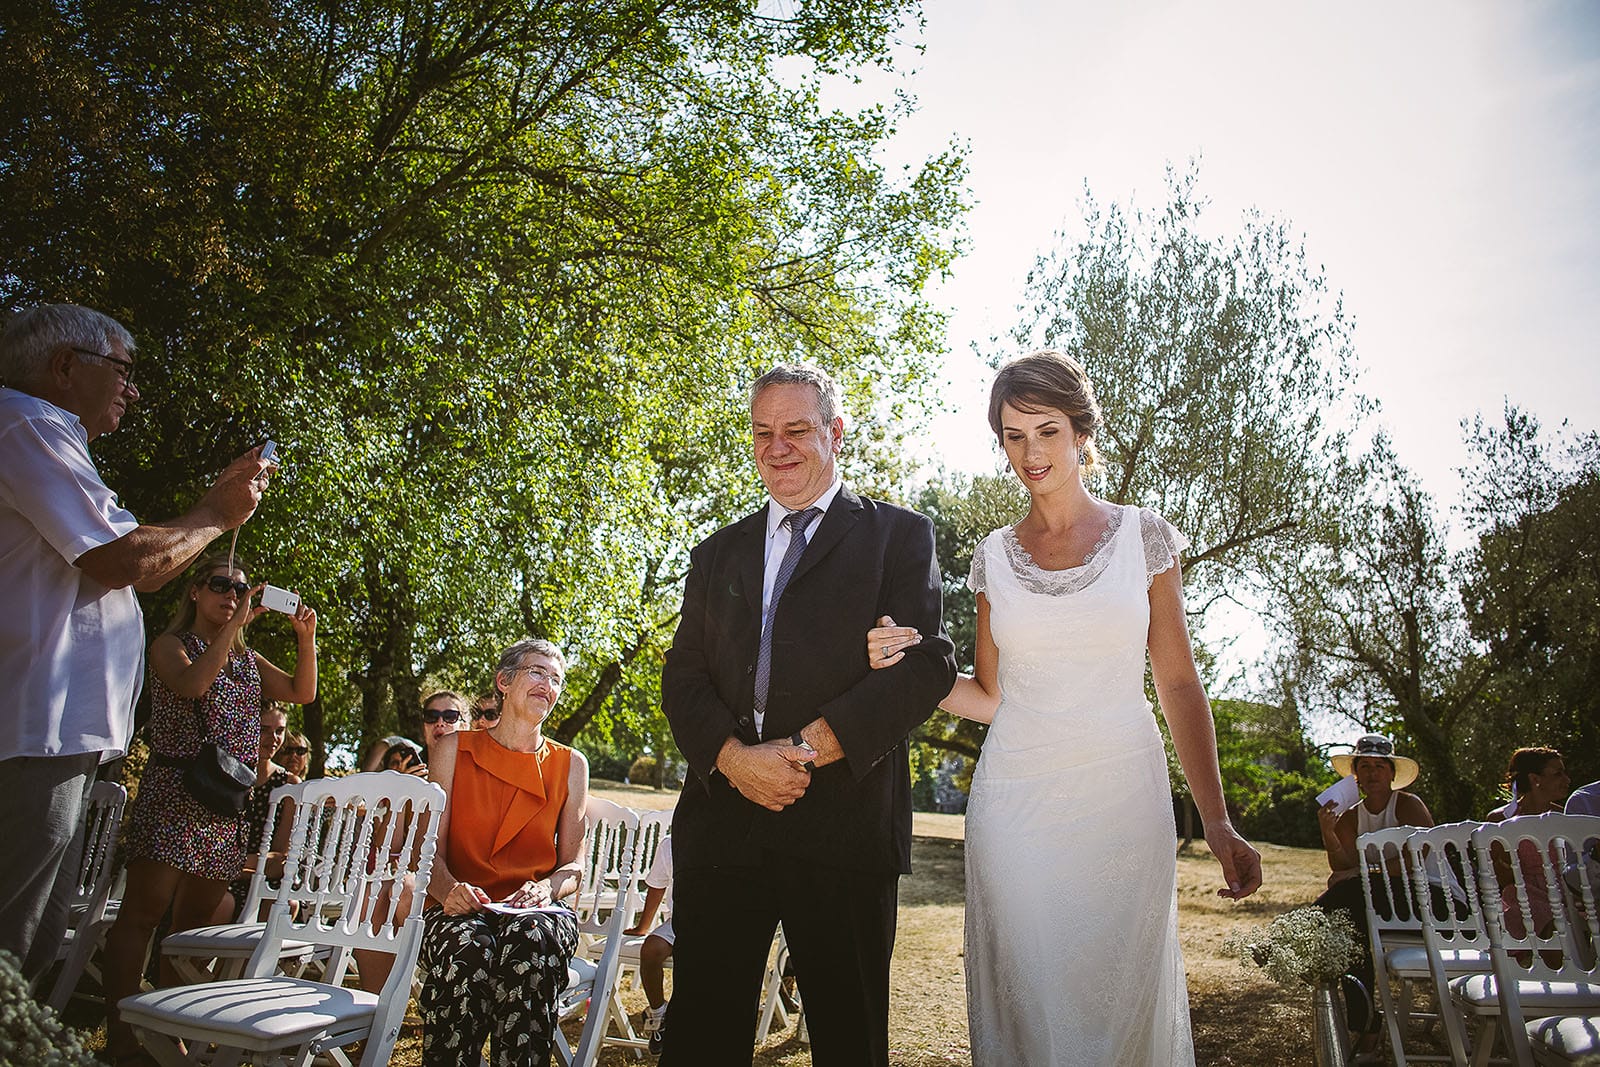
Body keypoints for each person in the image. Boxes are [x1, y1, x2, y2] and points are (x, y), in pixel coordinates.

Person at [866, 349, 1261, 1065]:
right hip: (1015, 807)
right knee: (1032, 999)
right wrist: (912, 662)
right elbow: (989, 698)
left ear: (1082, 431)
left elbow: (1177, 684)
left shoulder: (1144, 538)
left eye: (1045, 430)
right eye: (1013, 436)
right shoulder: (993, 554)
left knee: (1116, 1008)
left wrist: (1217, 817)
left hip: (1124, 804)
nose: (1031, 452)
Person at [660, 363, 956, 1067]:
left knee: (850, 1043)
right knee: (700, 1039)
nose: (777, 446)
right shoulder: (716, 552)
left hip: (843, 829)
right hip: (724, 824)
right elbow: (683, 676)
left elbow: (928, 665)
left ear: (835, 432)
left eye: (796, 429)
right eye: (763, 431)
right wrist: (736, 761)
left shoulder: (899, 537)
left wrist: (801, 752)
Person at [0, 304, 268, 980]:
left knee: (36, 937)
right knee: (14, 936)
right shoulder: (29, 423)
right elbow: (125, 560)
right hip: (37, 727)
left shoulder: (52, 439)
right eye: (123, 370)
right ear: (65, 366)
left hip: (63, 734)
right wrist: (215, 513)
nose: (134, 387)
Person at [103, 555, 316, 1065]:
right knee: (142, 914)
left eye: (240, 588)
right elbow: (194, 683)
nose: (231, 594)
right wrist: (234, 628)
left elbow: (301, 691)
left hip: (224, 805)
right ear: (195, 592)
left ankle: (167, 1029)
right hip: (176, 793)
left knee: (193, 929)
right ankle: (120, 1034)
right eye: (220, 585)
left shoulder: (247, 658)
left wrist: (305, 639)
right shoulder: (170, 644)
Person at [418, 638, 587, 1066]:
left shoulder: (572, 765)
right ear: (504, 682)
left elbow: (573, 865)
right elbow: (427, 851)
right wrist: (449, 890)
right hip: (458, 907)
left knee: (530, 942)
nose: (547, 684)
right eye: (537, 672)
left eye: (556, 679)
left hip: (536, 911)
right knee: (468, 949)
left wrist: (547, 890)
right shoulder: (453, 749)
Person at [1312, 733, 1433, 1039]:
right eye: (1364, 766)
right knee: (1349, 925)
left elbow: (1415, 859)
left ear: (1392, 773)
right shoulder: (1352, 816)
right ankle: (1364, 1025)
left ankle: (1302, 928)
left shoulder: (1408, 806)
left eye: (1380, 766)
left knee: (1349, 894)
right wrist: (1329, 832)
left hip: (1431, 902)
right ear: (1356, 775)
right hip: (1382, 904)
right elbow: (1340, 868)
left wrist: (1360, 873)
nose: (1372, 773)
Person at [218, 702, 302, 922]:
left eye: (280, 731)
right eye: (264, 729)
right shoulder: (224, 770)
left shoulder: (288, 785)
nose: (273, 738)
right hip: (213, 874)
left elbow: (278, 860)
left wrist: (232, 866)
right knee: (219, 902)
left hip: (257, 878)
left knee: (282, 904)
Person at [623, 834, 675, 1054]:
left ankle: (680, 1017)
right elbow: (657, 887)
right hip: (680, 921)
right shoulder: (671, 843)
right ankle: (658, 1013)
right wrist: (643, 927)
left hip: (714, 925)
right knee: (651, 949)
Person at [1486, 746, 1570, 822]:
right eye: (1557, 774)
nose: (1567, 780)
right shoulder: (1499, 819)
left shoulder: (1564, 817)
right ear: (1534, 779)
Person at [421, 690, 466, 755]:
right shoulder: (406, 763)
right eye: (432, 716)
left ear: (463, 727)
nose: (440, 723)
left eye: (450, 716)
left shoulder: (478, 764)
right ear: (424, 728)